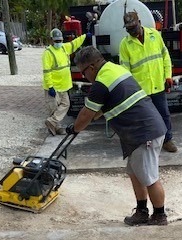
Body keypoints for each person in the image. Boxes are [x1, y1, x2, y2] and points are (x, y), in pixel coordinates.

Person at [66, 46, 168, 226]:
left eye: (83, 72)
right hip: (141, 132)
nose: (84, 77)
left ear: (91, 67)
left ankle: (160, 215)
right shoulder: (115, 69)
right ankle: (142, 211)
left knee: (149, 177)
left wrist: (74, 128)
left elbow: (86, 115)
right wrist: (83, 122)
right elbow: (97, 110)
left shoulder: (102, 82)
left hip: (143, 132)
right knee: (135, 173)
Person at [119, 11, 177, 153]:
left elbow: (165, 56)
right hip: (140, 90)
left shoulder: (155, 35)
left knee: (164, 114)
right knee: (143, 118)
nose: (131, 31)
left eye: (133, 28)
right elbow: (125, 71)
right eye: (128, 29)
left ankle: (167, 140)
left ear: (139, 22)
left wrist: (168, 76)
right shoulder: (125, 44)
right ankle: (146, 142)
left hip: (158, 85)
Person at [42, 28, 89, 136]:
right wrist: (50, 87)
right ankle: (56, 128)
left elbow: (74, 43)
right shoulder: (48, 53)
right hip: (53, 86)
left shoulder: (64, 48)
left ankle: (52, 122)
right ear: (51, 40)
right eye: (56, 41)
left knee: (65, 104)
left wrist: (85, 36)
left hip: (64, 85)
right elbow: (46, 71)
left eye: (60, 41)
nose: (58, 43)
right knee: (54, 108)